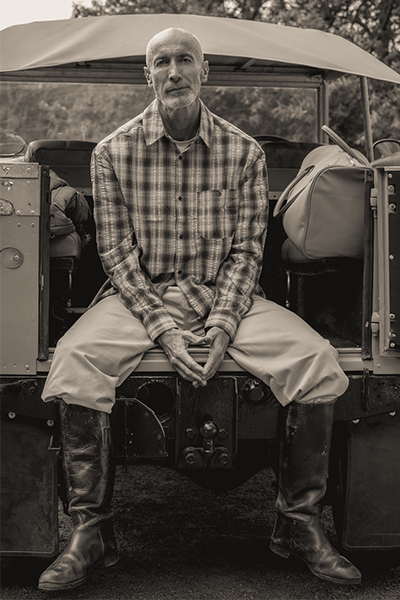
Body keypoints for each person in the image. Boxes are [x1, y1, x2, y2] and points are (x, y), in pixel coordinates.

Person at [38, 27, 361, 591]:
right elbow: (116, 255)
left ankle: (298, 525)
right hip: (140, 296)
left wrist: (223, 326)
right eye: (161, 62)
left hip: (225, 295)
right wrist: (164, 331)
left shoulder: (244, 152)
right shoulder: (113, 152)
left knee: (317, 363)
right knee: (73, 361)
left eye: (184, 59)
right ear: (148, 75)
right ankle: (91, 532)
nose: (174, 72)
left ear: (203, 70)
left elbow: (247, 253)